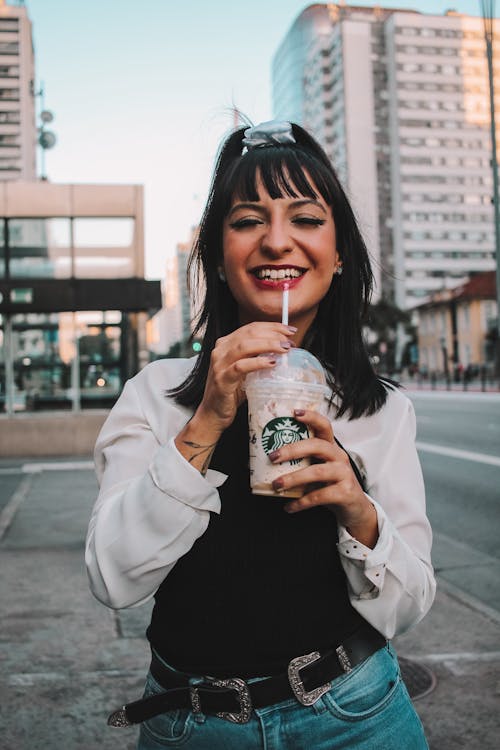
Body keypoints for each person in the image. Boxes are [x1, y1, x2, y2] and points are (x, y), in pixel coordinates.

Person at [85, 120, 436, 749]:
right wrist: (206, 423)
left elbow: (408, 608)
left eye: (306, 219)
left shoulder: (380, 410)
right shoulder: (156, 395)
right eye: (248, 221)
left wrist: (358, 511)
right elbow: (114, 579)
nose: (278, 242)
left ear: (339, 254)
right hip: (192, 724)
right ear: (218, 259)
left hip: (358, 713)